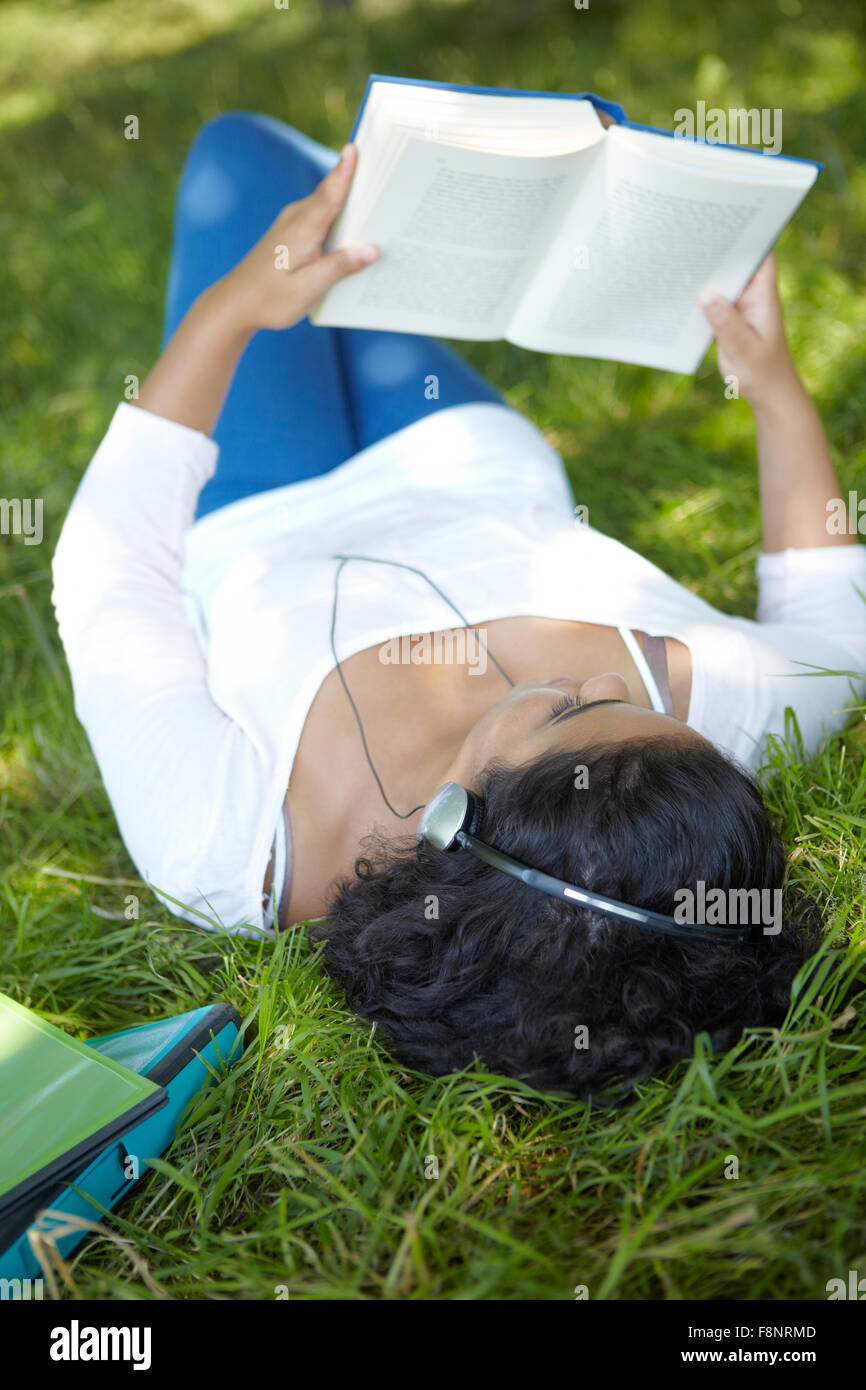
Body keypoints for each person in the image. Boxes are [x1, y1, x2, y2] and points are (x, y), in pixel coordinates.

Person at [52, 111, 866, 1094]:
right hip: (462, 459)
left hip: (259, 499)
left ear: (453, 821)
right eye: (644, 704)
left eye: (570, 706)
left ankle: (325, 182)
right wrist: (771, 385)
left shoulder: (226, 849)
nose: (614, 672)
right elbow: (838, 629)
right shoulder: (694, 748)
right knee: (361, 218)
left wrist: (231, 312)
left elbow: (107, 576)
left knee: (238, 155)